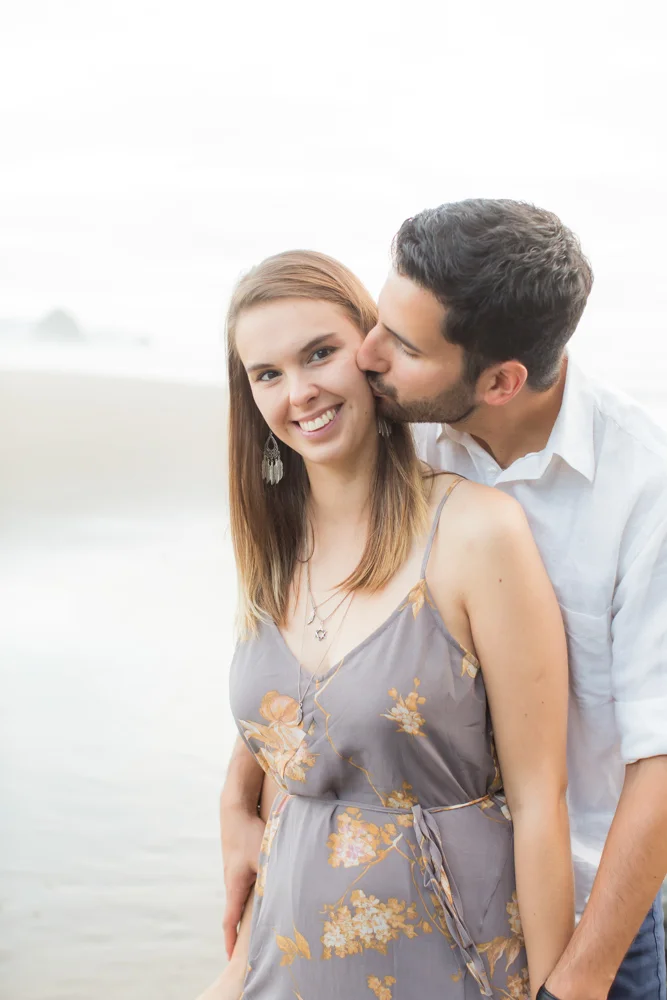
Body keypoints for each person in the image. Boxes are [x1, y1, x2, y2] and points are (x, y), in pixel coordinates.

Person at [205, 249, 573, 1000]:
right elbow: (300, 751)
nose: (299, 393)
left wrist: (556, 990)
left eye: (319, 354)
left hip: (451, 960)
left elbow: (540, 799)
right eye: (266, 374)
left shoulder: (475, 532)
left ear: (370, 354)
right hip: (282, 964)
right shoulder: (270, 549)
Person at [354, 199, 667, 1000]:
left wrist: (580, 979)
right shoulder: (400, 430)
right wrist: (243, 786)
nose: (366, 354)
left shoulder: (644, 490)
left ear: (500, 381)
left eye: (403, 345)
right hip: (412, 885)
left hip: (585, 904)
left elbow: (660, 758)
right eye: (377, 321)